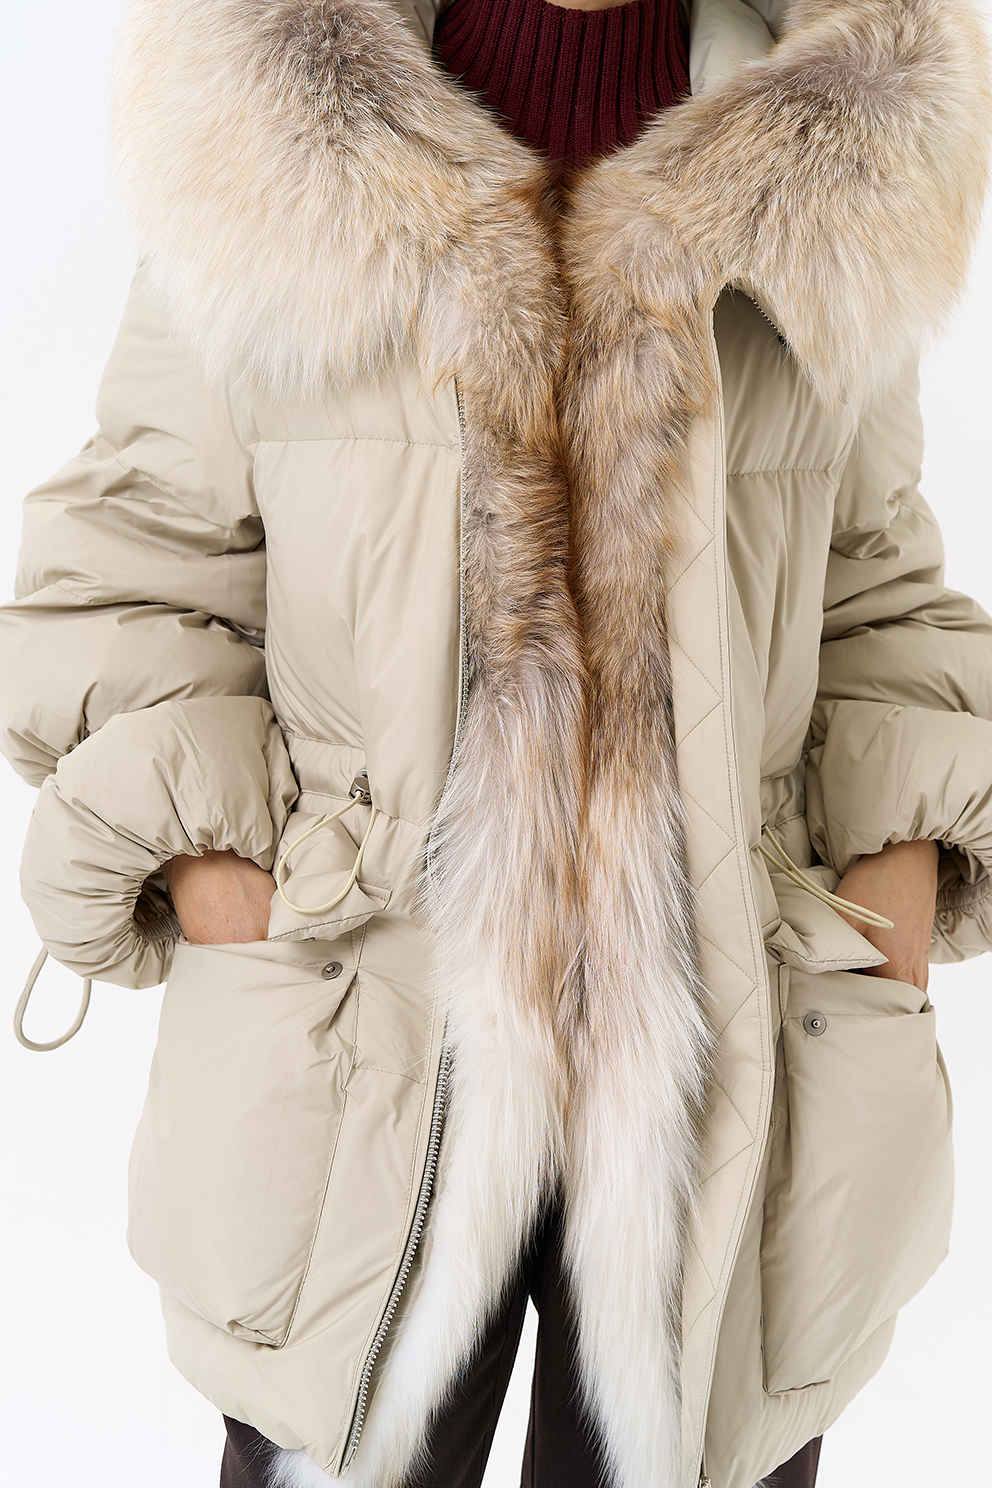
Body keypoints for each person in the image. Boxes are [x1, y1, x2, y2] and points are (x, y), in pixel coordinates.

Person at [1, 0, 990, 1485]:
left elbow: (873, 583)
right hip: (368, 1037)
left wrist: (897, 882)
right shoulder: (271, 129)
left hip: (727, 1050)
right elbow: (129, 570)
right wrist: (223, 885)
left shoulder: (831, 156)